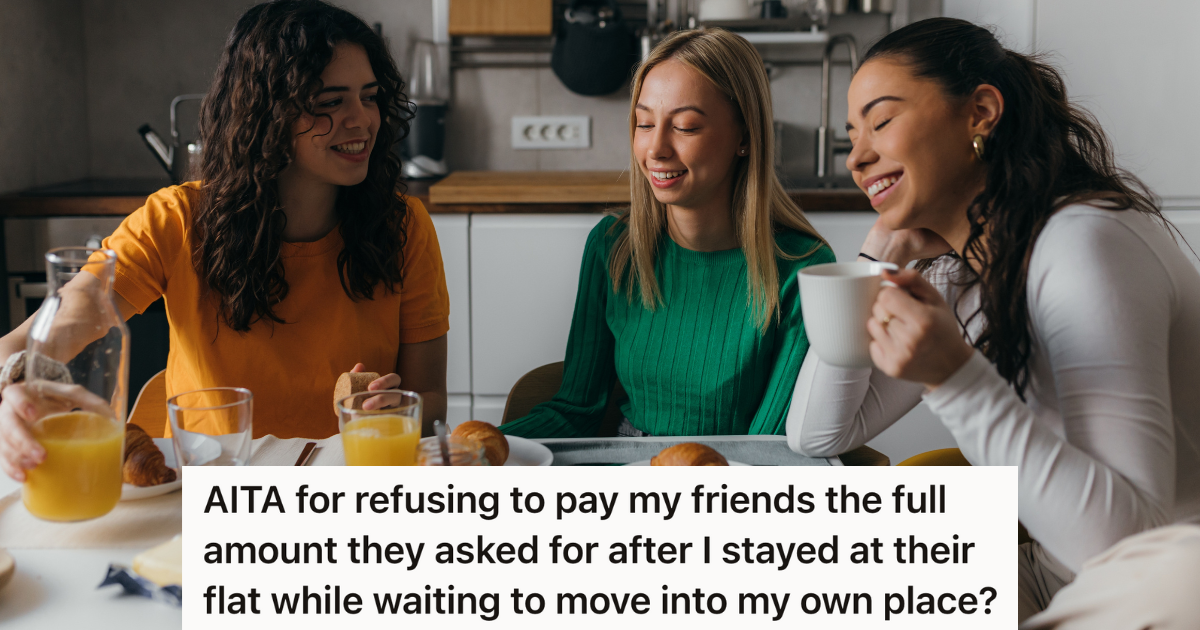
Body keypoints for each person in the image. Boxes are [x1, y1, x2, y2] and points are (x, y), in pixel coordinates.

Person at [784, 17, 1200, 623]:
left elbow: (1128, 551)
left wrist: (954, 380)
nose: (859, 156)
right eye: (852, 135)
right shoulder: (965, 272)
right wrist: (875, 261)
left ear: (980, 111)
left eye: (882, 120)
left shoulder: (1083, 244)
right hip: (1052, 568)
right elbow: (819, 435)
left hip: (1157, 591)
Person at [0, 0, 449, 481]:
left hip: (346, 493)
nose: (362, 119)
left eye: (370, 96)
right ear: (266, 114)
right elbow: (41, 333)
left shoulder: (404, 227)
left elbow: (431, 403)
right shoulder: (175, 219)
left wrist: (390, 412)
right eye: (330, 102)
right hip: (208, 493)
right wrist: (16, 389)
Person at [501, 28, 834, 439]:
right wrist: (470, 448)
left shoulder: (804, 270)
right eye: (644, 123)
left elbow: (768, 450)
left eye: (686, 127)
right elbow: (576, 409)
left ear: (745, 137)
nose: (655, 148)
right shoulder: (612, 246)